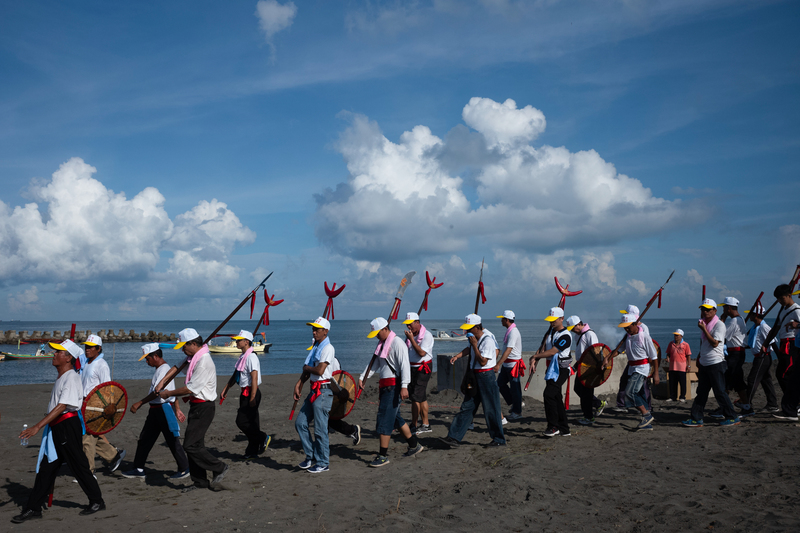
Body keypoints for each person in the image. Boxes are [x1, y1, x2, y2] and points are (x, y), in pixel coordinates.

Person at [12, 339, 105, 523]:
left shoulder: (71, 377)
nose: (53, 355)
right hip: (57, 427)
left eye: (58, 353)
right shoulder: (63, 376)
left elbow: (62, 406)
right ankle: (34, 508)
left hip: (67, 427)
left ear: (68, 358)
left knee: (78, 465)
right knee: (47, 468)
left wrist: (37, 426)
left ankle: (96, 501)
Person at [157, 328, 228, 491]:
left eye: (184, 346)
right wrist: (163, 381)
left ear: (194, 344)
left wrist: (168, 393)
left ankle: (219, 467)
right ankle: (200, 482)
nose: (183, 349)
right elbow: (177, 367)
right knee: (196, 445)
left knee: (190, 445)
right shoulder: (193, 357)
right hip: (196, 406)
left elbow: (190, 389)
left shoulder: (204, 361)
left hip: (204, 407)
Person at [359, 317, 423, 466]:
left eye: (377, 332)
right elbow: (374, 364)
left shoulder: (397, 343)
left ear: (385, 329)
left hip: (393, 386)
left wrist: (404, 386)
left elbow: (405, 365)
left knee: (384, 419)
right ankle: (414, 445)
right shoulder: (381, 344)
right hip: (385, 386)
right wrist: (363, 377)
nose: (376, 336)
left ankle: (383, 456)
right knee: (395, 418)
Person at [122, 344, 190, 480]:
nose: (147, 362)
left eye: (148, 359)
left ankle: (184, 468)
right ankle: (139, 468)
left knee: (172, 439)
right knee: (145, 439)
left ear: (156, 356)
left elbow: (157, 393)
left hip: (163, 409)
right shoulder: (161, 369)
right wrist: (177, 408)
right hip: (156, 410)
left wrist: (139, 403)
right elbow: (171, 391)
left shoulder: (164, 369)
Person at [440, 314, 506, 446]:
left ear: (477, 327)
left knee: (491, 409)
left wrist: (475, 345)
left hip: (486, 375)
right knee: (467, 407)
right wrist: (458, 356)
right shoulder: (473, 339)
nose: (467, 332)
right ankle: (454, 436)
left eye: (470, 329)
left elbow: (482, 361)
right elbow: (469, 350)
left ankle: (498, 439)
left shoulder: (487, 340)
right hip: (475, 376)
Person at [681, 299, 740, 427]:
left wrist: (703, 329)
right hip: (705, 363)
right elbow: (705, 345)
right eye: (703, 309)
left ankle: (732, 416)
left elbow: (714, 343)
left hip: (716, 363)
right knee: (701, 392)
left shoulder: (719, 325)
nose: (705, 312)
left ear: (714, 311)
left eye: (708, 309)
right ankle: (697, 418)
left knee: (719, 392)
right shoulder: (706, 324)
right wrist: (699, 357)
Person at [294, 317, 336, 473]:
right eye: (313, 329)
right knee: (300, 423)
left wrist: (306, 368)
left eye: (317, 329)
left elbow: (319, 370)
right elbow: (309, 369)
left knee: (320, 429)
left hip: (323, 391)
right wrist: (299, 383)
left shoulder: (328, 348)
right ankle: (311, 456)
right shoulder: (316, 347)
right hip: (314, 390)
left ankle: (323, 462)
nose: (314, 332)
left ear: (325, 331)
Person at [79, 335, 125, 475]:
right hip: (83, 404)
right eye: (86, 347)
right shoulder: (86, 363)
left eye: (90, 347)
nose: (87, 350)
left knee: (87, 438)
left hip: (95, 406)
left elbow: (107, 388)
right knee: (89, 435)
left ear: (98, 349)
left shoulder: (101, 365)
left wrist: (107, 408)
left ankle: (89, 471)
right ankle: (113, 455)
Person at [604, 314, 658, 431]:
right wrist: (608, 358)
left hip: (642, 368)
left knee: (630, 392)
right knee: (639, 392)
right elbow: (618, 350)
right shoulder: (627, 337)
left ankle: (646, 415)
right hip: (632, 368)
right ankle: (647, 422)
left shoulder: (645, 337)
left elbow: (654, 357)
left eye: (628, 327)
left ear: (635, 324)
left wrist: (656, 374)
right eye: (624, 327)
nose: (626, 329)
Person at [221, 330, 270, 459]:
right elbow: (236, 374)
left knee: (241, 421)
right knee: (252, 423)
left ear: (246, 342)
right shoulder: (243, 357)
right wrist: (226, 388)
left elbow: (254, 377)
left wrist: (252, 397)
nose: (236, 342)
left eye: (239, 340)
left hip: (251, 392)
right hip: (245, 392)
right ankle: (252, 452)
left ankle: (263, 437)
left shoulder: (251, 357)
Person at [529, 307, 573, 437]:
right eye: (550, 320)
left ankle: (553, 426)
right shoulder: (549, 333)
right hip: (551, 369)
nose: (552, 322)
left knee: (548, 394)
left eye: (554, 320)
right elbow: (542, 347)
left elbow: (553, 351)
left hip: (561, 369)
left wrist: (537, 357)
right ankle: (564, 428)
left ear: (561, 319)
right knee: (556, 397)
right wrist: (534, 358)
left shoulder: (566, 335)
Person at [611, 305, 654, 413]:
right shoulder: (628, 330)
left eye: (627, 313)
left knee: (641, 387)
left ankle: (646, 408)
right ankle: (622, 404)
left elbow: (648, 347)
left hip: (641, 364)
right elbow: (621, 347)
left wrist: (650, 364)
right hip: (632, 362)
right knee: (625, 382)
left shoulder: (643, 328)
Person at [565, 316, 607, 425]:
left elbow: (595, 352)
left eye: (573, 328)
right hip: (581, 366)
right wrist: (574, 367)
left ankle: (588, 417)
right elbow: (580, 355)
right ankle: (598, 404)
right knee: (578, 389)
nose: (573, 330)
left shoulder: (590, 334)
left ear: (579, 324)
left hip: (589, 368)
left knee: (586, 394)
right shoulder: (577, 336)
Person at [739, 302, 779, 416]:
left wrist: (780, 359)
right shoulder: (754, 327)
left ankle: (747, 405)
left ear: (756, 315)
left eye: (751, 314)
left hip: (763, 357)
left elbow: (773, 342)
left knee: (752, 380)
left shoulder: (764, 327)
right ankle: (772, 404)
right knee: (766, 381)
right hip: (759, 357)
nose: (749, 316)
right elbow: (751, 343)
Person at [767, 285, 800, 421]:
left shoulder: (796, 310)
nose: (780, 301)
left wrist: (796, 325)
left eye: (782, 298)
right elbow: (777, 327)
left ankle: (793, 404)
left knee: (785, 374)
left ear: (789, 295)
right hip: (784, 343)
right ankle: (792, 403)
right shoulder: (784, 310)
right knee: (782, 374)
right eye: (778, 299)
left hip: (792, 344)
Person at [402, 312, 435, 434]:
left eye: (410, 324)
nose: (408, 327)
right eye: (407, 325)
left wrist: (411, 339)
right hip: (412, 367)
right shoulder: (410, 335)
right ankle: (425, 424)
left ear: (417, 322)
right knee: (420, 397)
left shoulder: (427, 335)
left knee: (416, 397)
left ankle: (414, 424)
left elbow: (421, 353)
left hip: (423, 368)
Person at [495, 310, 525, 420]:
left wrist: (498, 363)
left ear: (507, 320)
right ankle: (514, 403)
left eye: (502, 318)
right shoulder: (510, 330)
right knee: (500, 384)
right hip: (508, 364)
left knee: (515, 388)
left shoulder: (513, 332)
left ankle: (517, 412)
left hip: (513, 364)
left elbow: (508, 350)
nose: (501, 320)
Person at [327, 354, 362, 445]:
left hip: (332, 395)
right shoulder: (315, 359)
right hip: (322, 394)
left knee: (328, 419)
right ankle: (352, 430)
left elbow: (339, 380)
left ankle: (352, 430)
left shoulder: (333, 361)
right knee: (328, 420)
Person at [719, 297, 748, 407]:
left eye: (724, 307)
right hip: (738, 353)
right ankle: (746, 405)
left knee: (727, 380)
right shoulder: (741, 319)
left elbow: (721, 335)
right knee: (737, 380)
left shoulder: (734, 321)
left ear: (729, 308)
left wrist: (722, 321)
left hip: (734, 354)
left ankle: (724, 407)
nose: (723, 310)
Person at [665, 329, 692, 402]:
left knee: (682, 383)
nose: (675, 337)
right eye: (675, 335)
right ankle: (672, 396)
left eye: (677, 335)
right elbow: (668, 353)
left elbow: (688, 355)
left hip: (682, 367)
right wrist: (667, 358)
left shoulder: (685, 344)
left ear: (681, 336)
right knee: (672, 383)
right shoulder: (671, 344)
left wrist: (689, 365)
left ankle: (682, 397)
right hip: (672, 366)